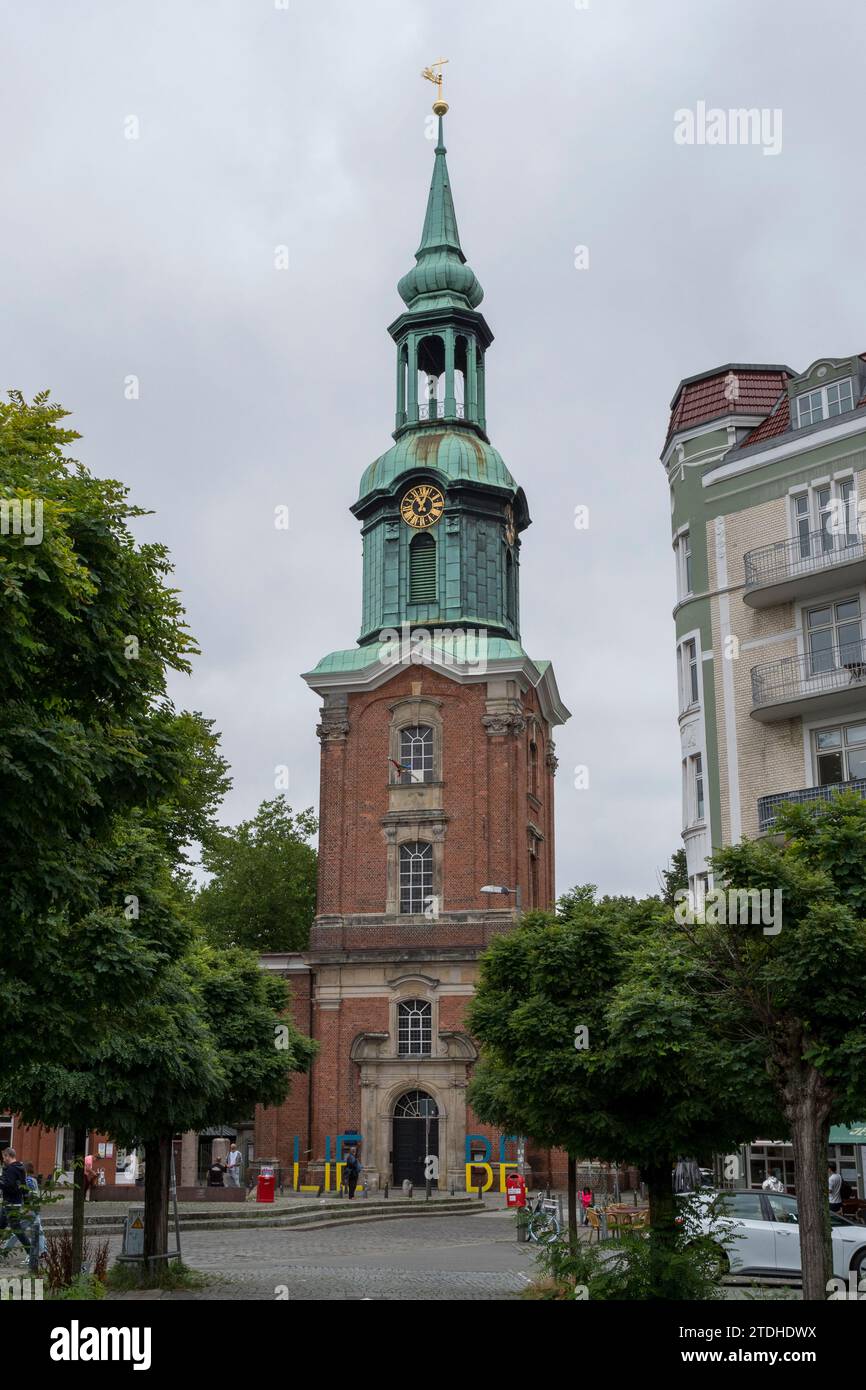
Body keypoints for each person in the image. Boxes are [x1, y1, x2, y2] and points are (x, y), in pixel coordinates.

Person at [0, 1148, 31, 1259]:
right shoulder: (20, 1167)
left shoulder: (11, 1169)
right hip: (12, 1203)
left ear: (8, 1156)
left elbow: (9, 1186)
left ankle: (31, 1253)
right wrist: (26, 1202)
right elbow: (24, 1186)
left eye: (4, 1157)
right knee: (1, 1225)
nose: (3, 1159)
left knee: (17, 1230)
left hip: (11, 1204)